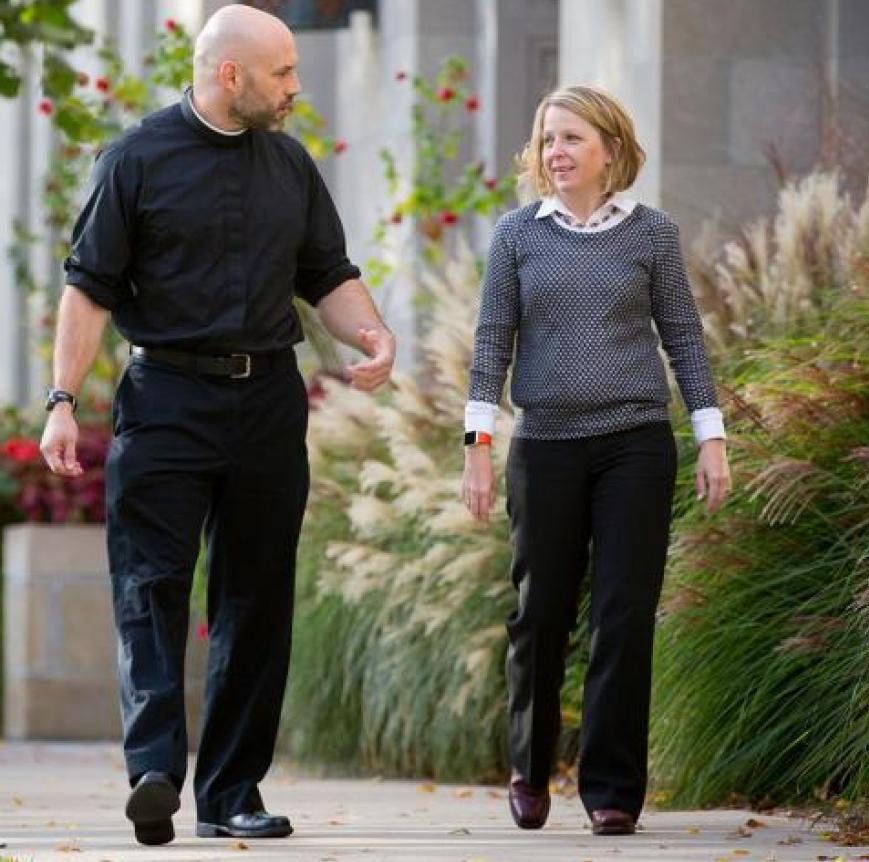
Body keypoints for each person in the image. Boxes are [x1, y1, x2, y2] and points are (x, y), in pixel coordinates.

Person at [39, 5, 395, 846]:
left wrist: (371, 332)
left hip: (268, 400)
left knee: (257, 598)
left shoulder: (290, 164)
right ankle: (156, 769)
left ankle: (232, 791)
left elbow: (327, 273)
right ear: (228, 74)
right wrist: (61, 401)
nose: (296, 90)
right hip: (165, 398)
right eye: (282, 74)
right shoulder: (135, 159)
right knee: (151, 584)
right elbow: (88, 286)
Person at [462, 85, 731, 836]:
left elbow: (683, 339)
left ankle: (612, 789)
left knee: (621, 616)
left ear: (610, 149)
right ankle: (529, 762)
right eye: (549, 139)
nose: (557, 152)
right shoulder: (517, 235)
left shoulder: (652, 235)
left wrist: (711, 436)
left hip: (635, 446)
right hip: (544, 445)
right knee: (541, 613)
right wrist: (477, 449)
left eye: (573, 138)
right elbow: (491, 348)